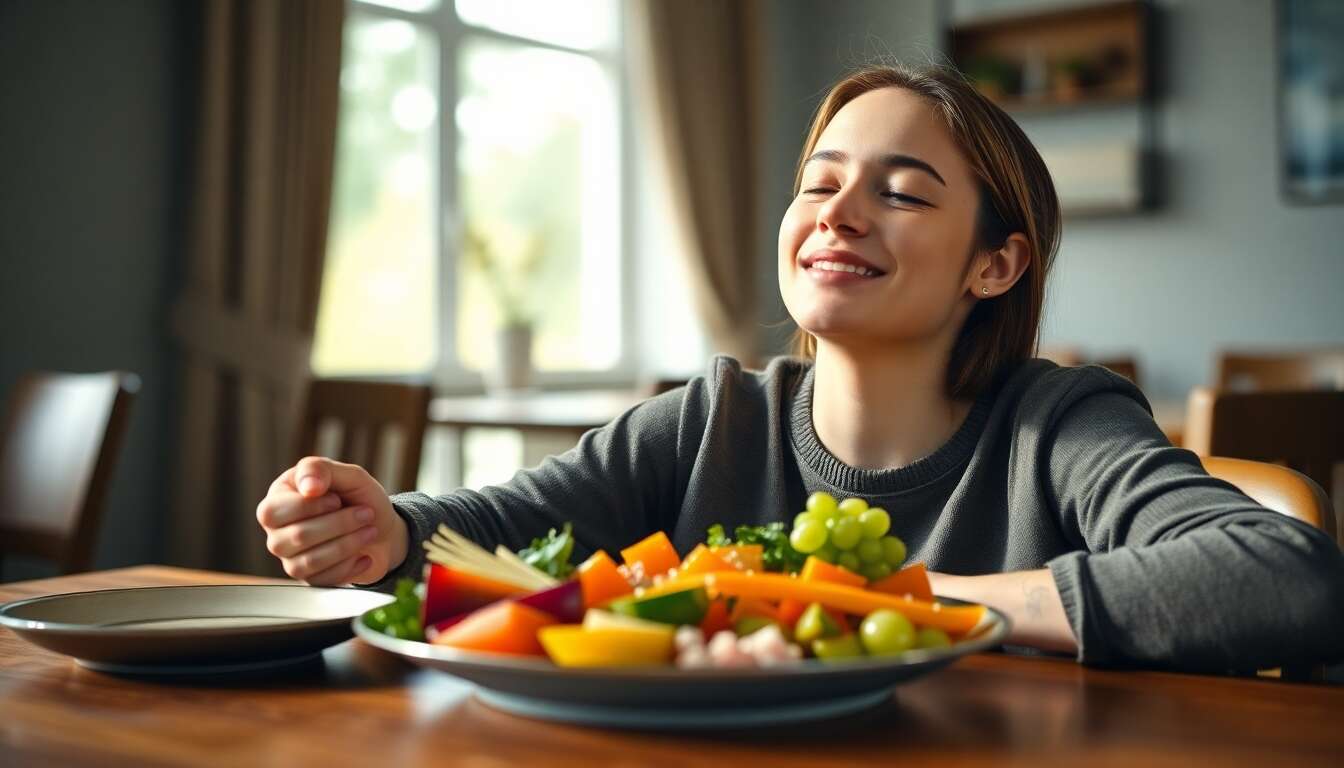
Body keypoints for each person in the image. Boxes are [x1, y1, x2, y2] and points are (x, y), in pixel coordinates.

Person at [255, 63, 1344, 672]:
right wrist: (380, 529)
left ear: (996, 264)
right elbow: (499, 530)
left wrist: (911, 600)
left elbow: (1287, 576)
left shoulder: (1059, 425)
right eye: (819, 183)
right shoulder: (709, 419)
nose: (838, 214)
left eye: (901, 193)